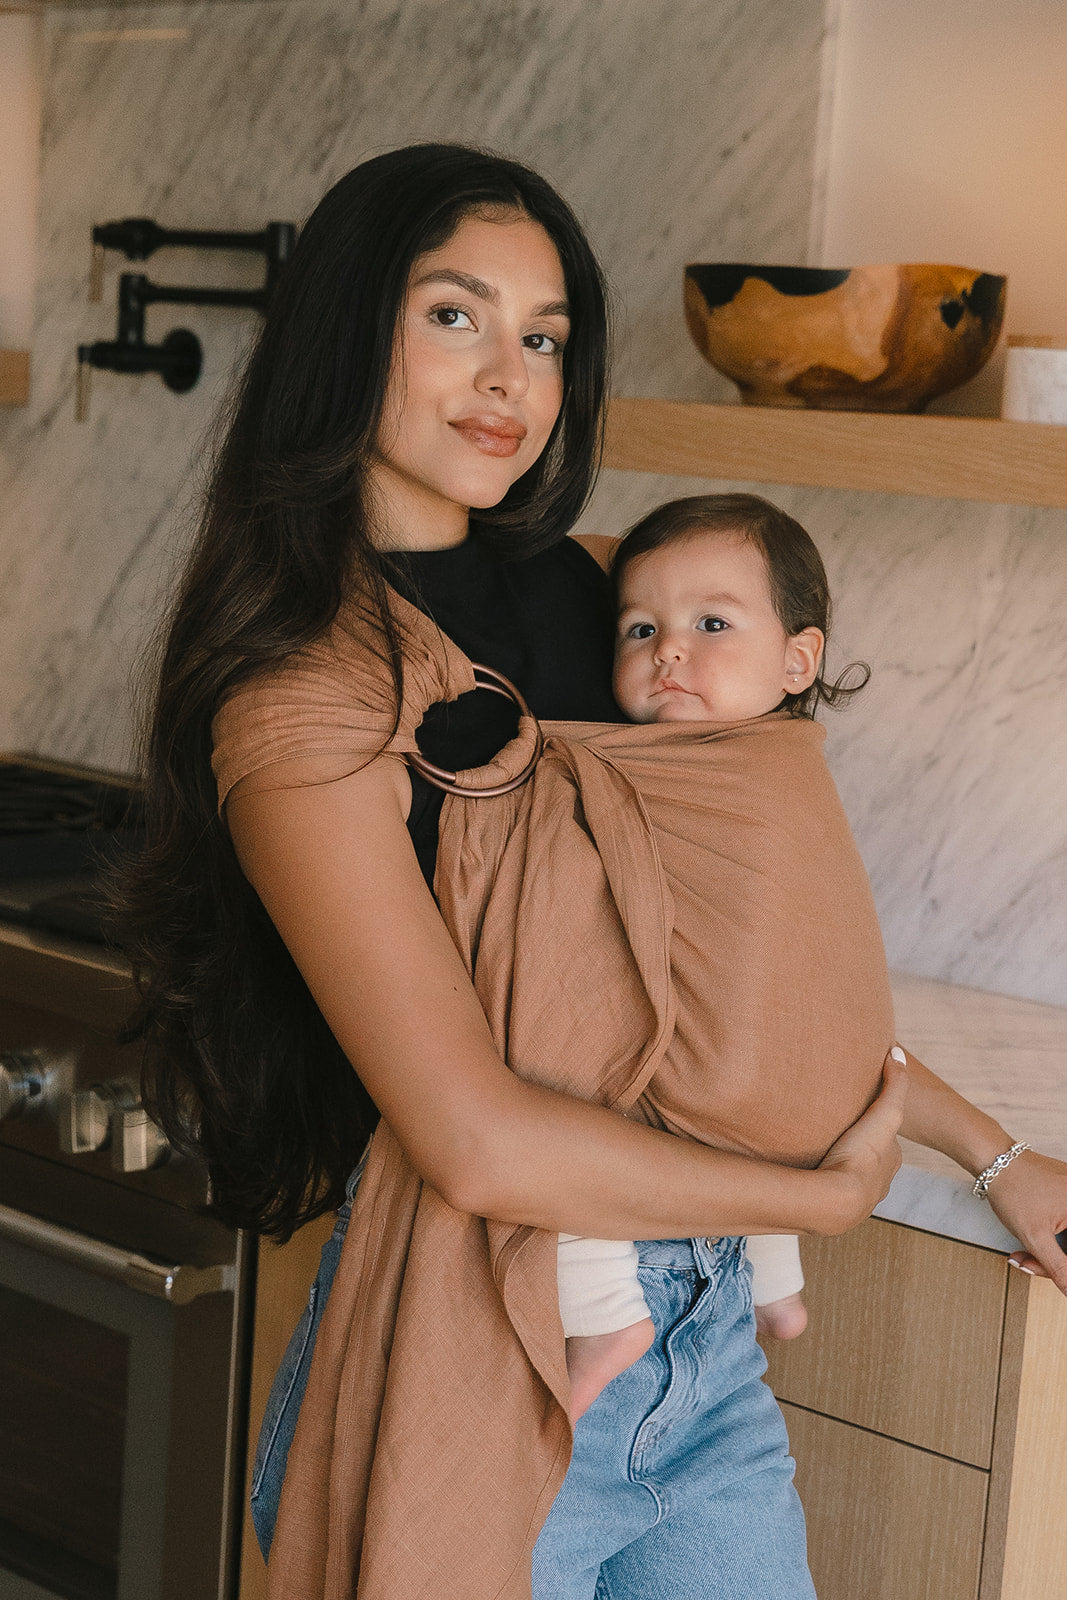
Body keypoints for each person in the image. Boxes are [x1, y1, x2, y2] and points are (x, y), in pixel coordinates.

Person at [122, 143, 1067, 1600]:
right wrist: (811, 1204)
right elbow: (477, 1139)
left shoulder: (597, 604)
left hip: (703, 1354)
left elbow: (729, 964)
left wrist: (993, 1155)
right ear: (347, 329)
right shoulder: (297, 701)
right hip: (475, 1344)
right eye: (455, 316)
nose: (509, 375)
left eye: (544, 337)